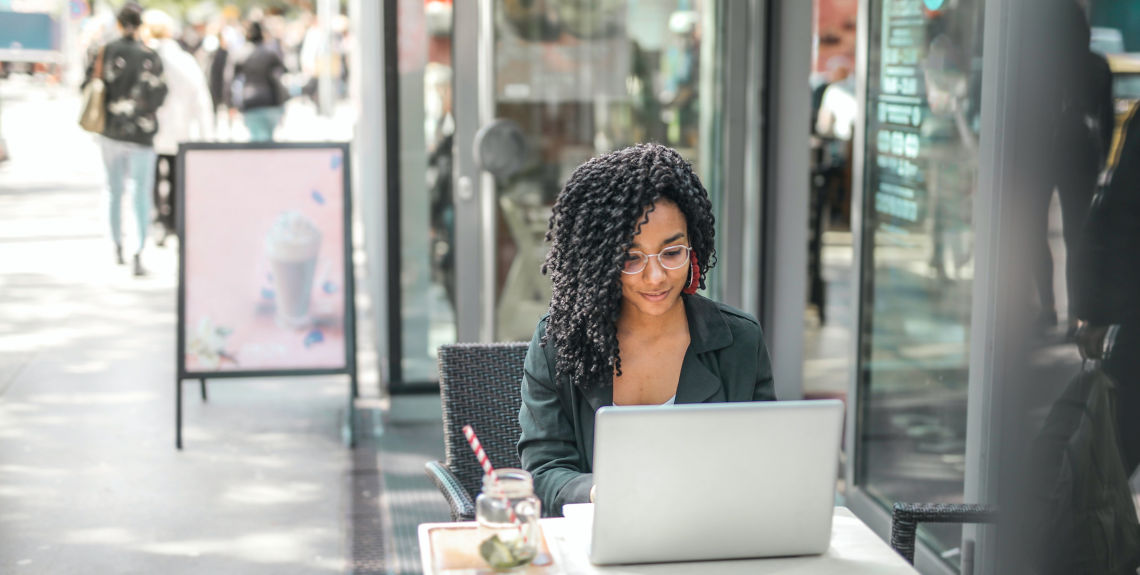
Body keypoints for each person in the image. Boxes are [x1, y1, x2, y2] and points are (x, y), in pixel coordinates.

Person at [517, 144, 776, 517]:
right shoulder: (558, 343)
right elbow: (542, 473)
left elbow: (764, 465)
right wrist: (598, 491)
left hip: (711, 537)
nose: (655, 278)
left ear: (694, 248)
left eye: (672, 254)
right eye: (630, 258)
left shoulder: (739, 342)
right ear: (599, 261)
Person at [84, 2, 168, 276]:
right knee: (140, 192)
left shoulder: (104, 51)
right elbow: (160, 94)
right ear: (140, 24)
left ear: (119, 24)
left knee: (114, 189)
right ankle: (138, 249)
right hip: (141, 134)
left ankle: (116, 244)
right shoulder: (149, 55)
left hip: (110, 130)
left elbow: (88, 85)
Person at [142, 10, 214, 245]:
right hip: (179, 129)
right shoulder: (183, 58)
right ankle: (172, 220)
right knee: (175, 176)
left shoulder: (144, 56)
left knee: (150, 177)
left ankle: (157, 221)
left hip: (149, 129)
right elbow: (200, 97)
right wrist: (206, 135)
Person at [232, 21, 286, 142]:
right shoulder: (270, 53)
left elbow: (231, 79)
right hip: (269, 100)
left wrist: (231, 103)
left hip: (251, 100)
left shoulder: (241, 54)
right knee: (267, 139)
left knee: (256, 139)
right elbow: (281, 73)